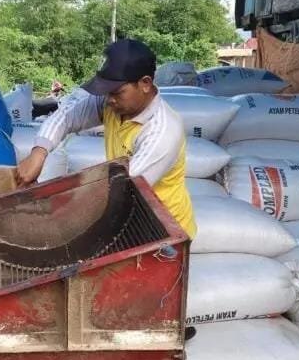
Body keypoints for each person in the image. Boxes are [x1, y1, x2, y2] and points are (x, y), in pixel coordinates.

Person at [17, 38, 196, 237]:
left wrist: (56, 207)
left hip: (163, 229)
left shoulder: (162, 131)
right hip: (130, 217)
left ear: (145, 83)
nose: (109, 99)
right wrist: (39, 153)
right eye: (106, 92)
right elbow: (67, 116)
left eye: (117, 92)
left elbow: (126, 188)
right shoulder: (112, 104)